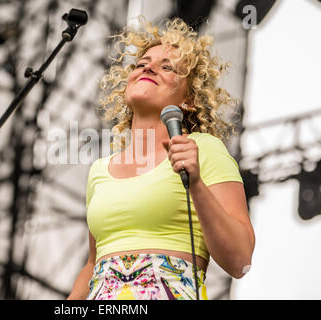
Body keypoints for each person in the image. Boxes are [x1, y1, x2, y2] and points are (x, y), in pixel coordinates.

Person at [67, 17, 255, 300]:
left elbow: (240, 260)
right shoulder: (99, 171)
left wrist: (197, 185)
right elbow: (93, 264)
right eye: (141, 64)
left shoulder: (203, 148)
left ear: (189, 99)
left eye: (167, 67)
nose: (149, 67)